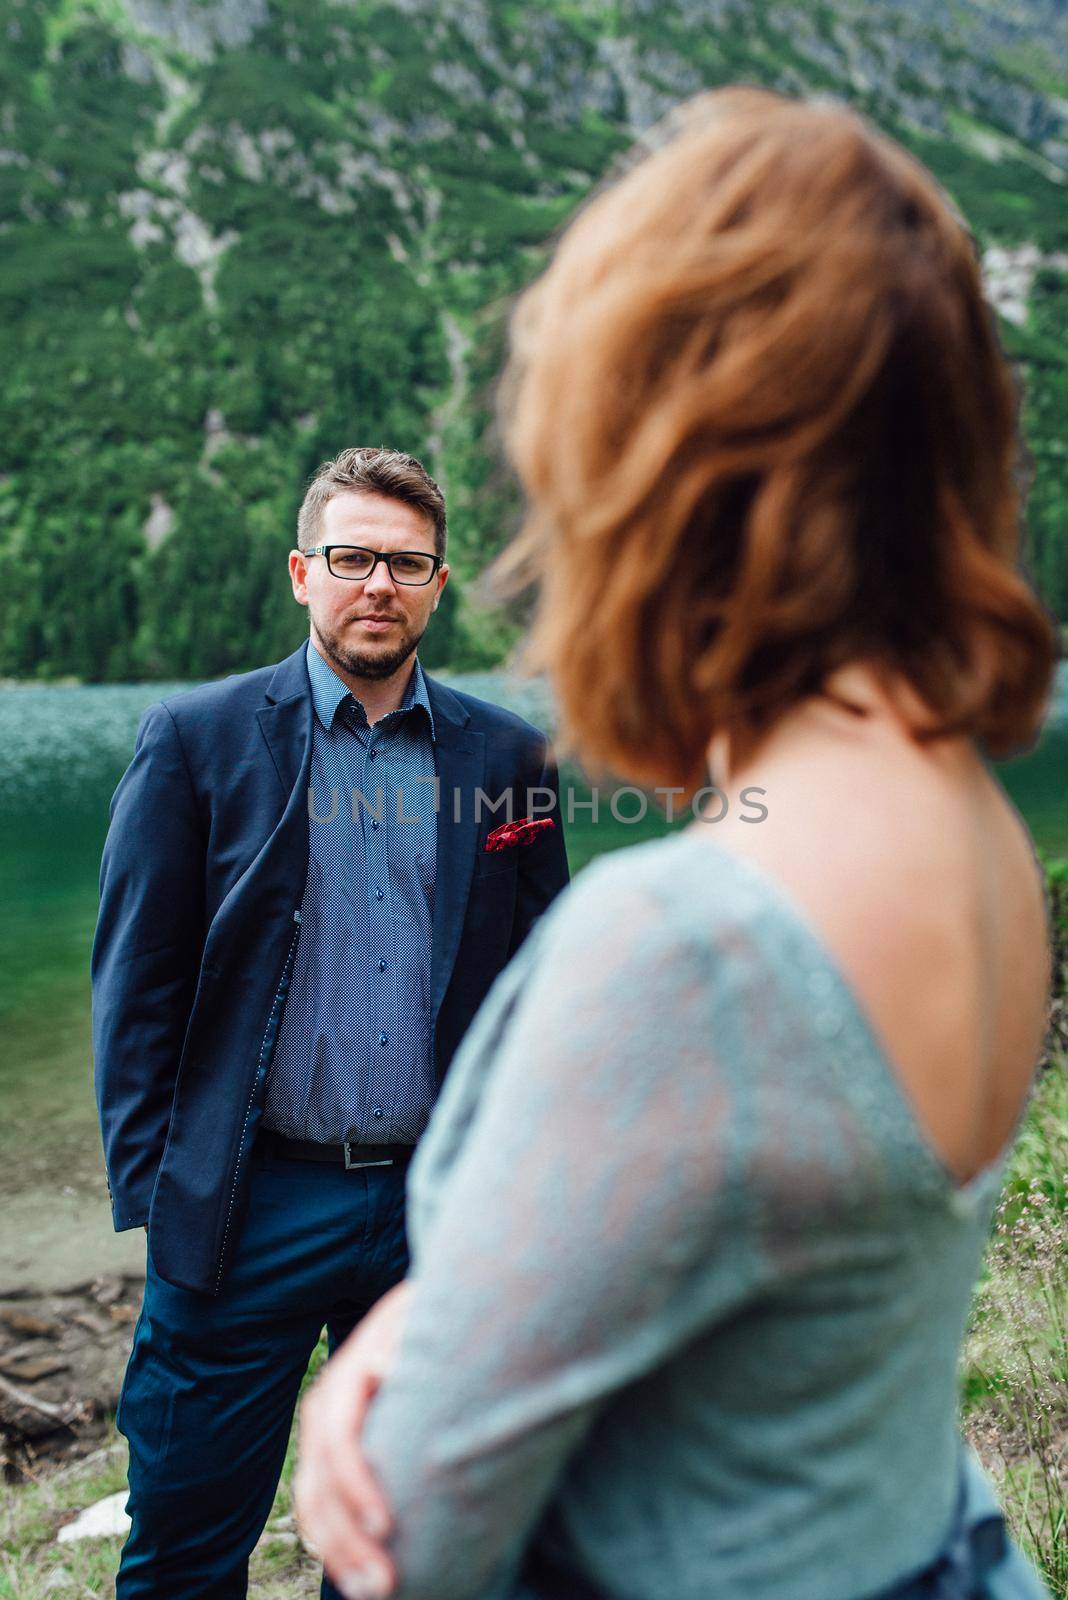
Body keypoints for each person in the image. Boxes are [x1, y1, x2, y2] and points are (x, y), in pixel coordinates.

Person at [292, 89, 1060, 1600]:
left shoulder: (690, 940)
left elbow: (415, 1535)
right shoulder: (968, 828)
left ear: (659, 457)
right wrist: (452, 1317)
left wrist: (366, 1417)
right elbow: (822, 1332)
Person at [91, 445, 570, 1597]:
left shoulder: (507, 757)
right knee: (187, 1549)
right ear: (304, 572)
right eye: (353, 558)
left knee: (404, 1551)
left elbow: (537, 988)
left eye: (406, 565)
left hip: (427, 1213)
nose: (379, 586)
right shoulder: (198, 739)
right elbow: (136, 984)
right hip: (247, 1207)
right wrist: (166, 1187)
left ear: (439, 587)